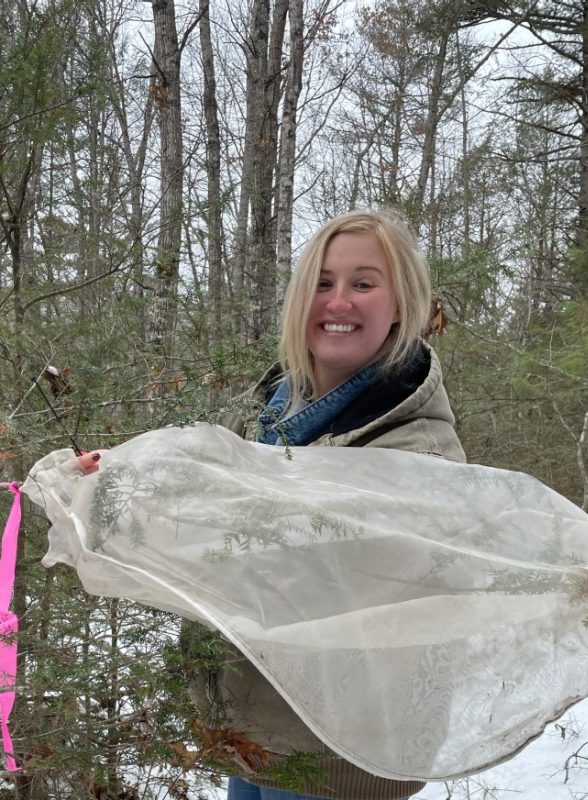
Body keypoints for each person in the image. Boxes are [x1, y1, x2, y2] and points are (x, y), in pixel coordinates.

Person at [79, 209, 465, 800]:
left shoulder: (416, 447)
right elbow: (218, 504)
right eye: (322, 282)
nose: (338, 302)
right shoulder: (275, 412)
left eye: (364, 283)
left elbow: (327, 580)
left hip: (338, 754)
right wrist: (127, 481)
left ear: (402, 304)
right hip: (257, 729)